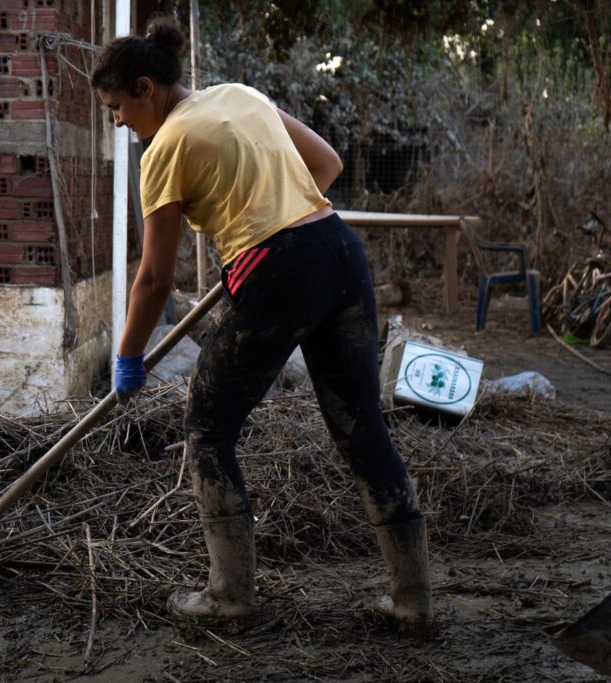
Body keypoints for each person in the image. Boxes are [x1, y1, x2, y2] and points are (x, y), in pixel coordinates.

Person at [91, 16, 433, 632]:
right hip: (338, 250)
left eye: (116, 107)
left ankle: (230, 598)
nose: (117, 122)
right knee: (362, 429)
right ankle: (414, 604)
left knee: (207, 426)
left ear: (145, 89)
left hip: (282, 271)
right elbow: (324, 165)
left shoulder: (162, 149)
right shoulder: (238, 94)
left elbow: (154, 279)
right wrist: (259, 233)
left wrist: (128, 356)